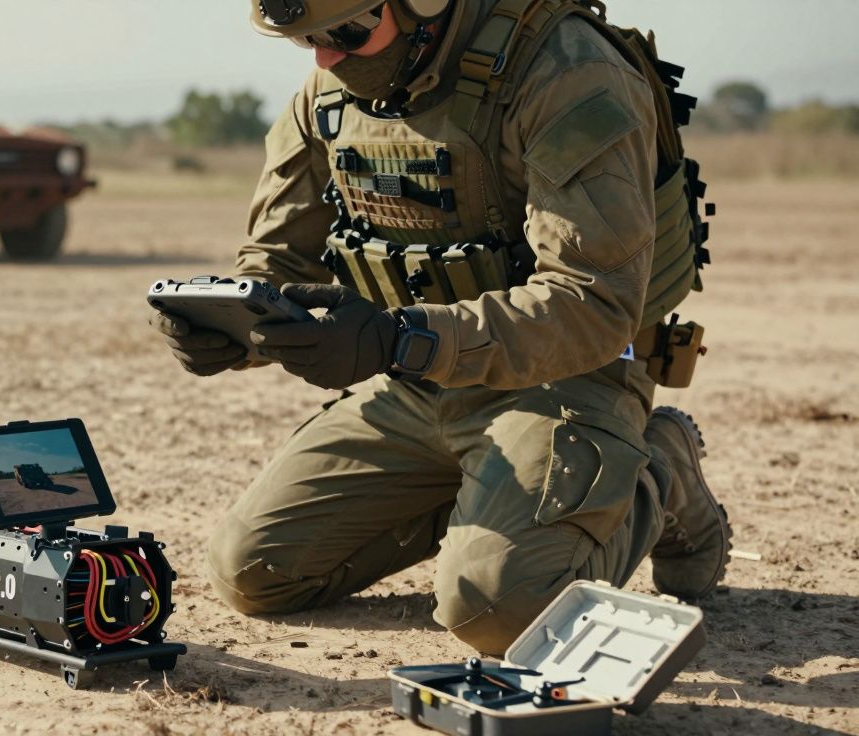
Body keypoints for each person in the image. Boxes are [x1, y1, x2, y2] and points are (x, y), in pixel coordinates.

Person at [149, 0, 730, 654]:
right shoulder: (331, 93)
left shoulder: (567, 69)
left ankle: (660, 466)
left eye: (346, 32)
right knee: (254, 573)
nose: (326, 57)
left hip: (567, 377)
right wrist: (236, 324)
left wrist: (400, 339)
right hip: (417, 378)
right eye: (306, 40)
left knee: (504, 611)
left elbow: (593, 303)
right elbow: (279, 259)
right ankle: (489, 490)